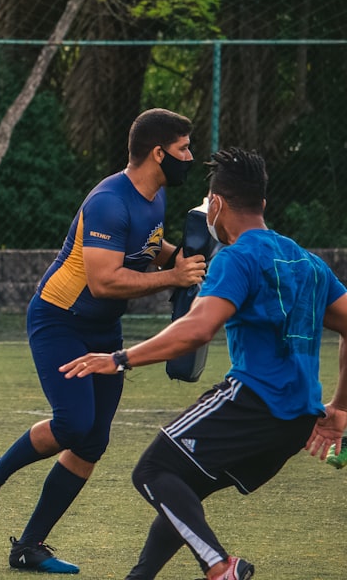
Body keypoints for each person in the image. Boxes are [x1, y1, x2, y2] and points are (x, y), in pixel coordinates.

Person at [60, 147, 347, 580]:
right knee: (184, 489)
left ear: (216, 205)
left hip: (251, 401)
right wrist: (340, 407)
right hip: (296, 422)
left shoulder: (236, 258)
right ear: (263, 205)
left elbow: (197, 329)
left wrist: (120, 359)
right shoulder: (308, 263)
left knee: (153, 471)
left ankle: (219, 567)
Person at [0, 108, 207, 574]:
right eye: (184, 149)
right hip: (60, 320)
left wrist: (185, 256)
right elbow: (105, 280)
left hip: (103, 329)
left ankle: (29, 547)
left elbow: (148, 245)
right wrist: (173, 276)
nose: (190, 157)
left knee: (93, 441)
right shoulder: (111, 200)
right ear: (158, 153)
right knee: (73, 424)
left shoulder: (154, 196)